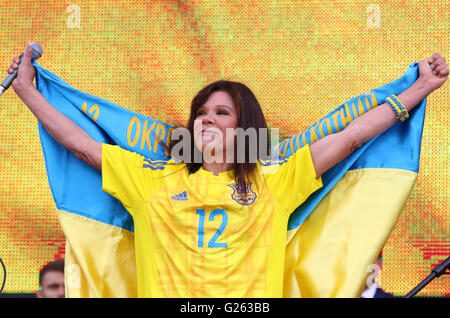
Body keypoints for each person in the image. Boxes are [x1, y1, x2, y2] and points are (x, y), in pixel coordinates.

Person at [8, 46, 448, 297]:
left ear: (245, 127)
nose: (207, 119)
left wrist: (419, 89)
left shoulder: (275, 180)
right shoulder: (150, 178)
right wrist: (26, 90)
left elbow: (350, 138)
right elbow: (80, 145)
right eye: (200, 113)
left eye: (221, 112)